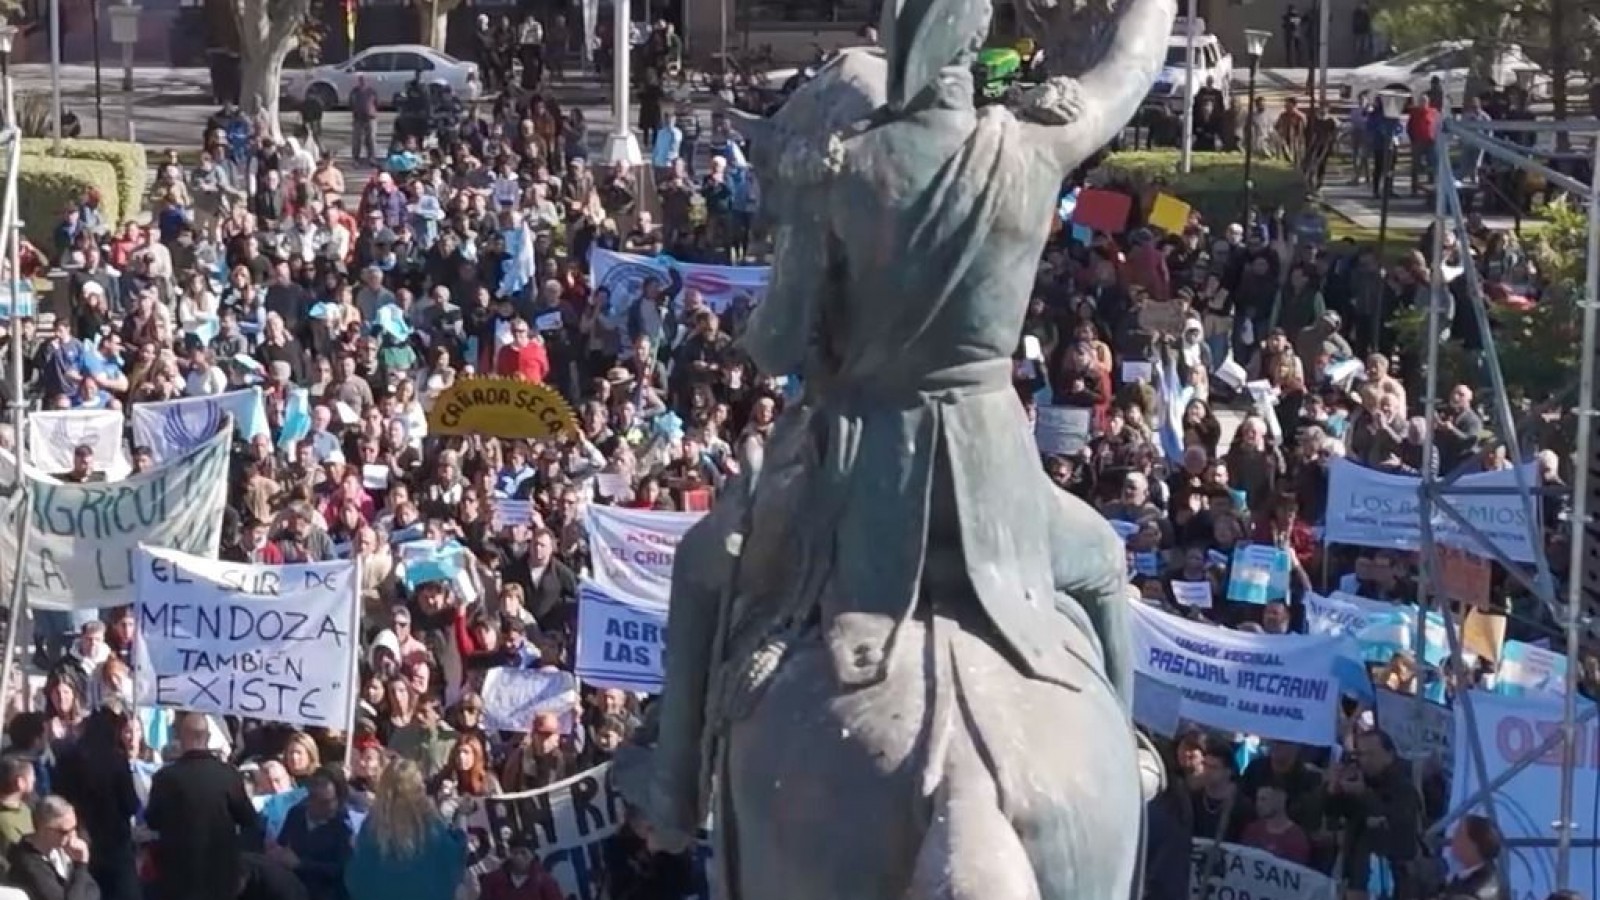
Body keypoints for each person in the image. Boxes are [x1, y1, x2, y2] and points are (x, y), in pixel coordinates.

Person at [145, 713, 264, 900]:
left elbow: (152, 821)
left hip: (177, 875)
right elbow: (248, 819)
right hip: (220, 875)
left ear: (181, 737)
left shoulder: (165, 778)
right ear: (207, 738)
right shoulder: (228, 776)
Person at [50, 707, 139, 900]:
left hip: (80, 837)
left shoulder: (66, 759)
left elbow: (58, 795)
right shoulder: (117, 761)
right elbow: (130, 803)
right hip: (116, 843)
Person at [344, 761, 465, 900]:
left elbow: (357, 878)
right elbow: (450, 859)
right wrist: (460, 832)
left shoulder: (373, 826)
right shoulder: (430, 824)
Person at [271, 767, 353, 900]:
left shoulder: (343, 827)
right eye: (314, 798)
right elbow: (283, 844)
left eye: (327, 801)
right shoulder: (296, 814)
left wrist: (301, 865)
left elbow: (342, 870)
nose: (318, 805)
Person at [4, 796, 95, 900]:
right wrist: (80, 866)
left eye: (74, 828)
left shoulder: (61, 849)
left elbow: (93, 889)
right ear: (43, 829)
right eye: (64, 832)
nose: (72, 836)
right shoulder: (28, 864)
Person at [1441, 815, 1507, 900]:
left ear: (1472, 846)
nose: (1454, 836)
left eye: (1459, 832)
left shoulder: (1474, 893)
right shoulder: (1471, 874)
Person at [475, 837, 561, 900]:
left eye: (524, 853)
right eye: (515, 853)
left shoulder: (545, 881)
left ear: (532, 856)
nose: (519, 857)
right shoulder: (492, 880)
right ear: (509, 855)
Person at [0, 756, 35, 878]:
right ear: (20, 783)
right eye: (31, 778)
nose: (34, 781)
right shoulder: (5, 820)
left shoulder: (26, 808)